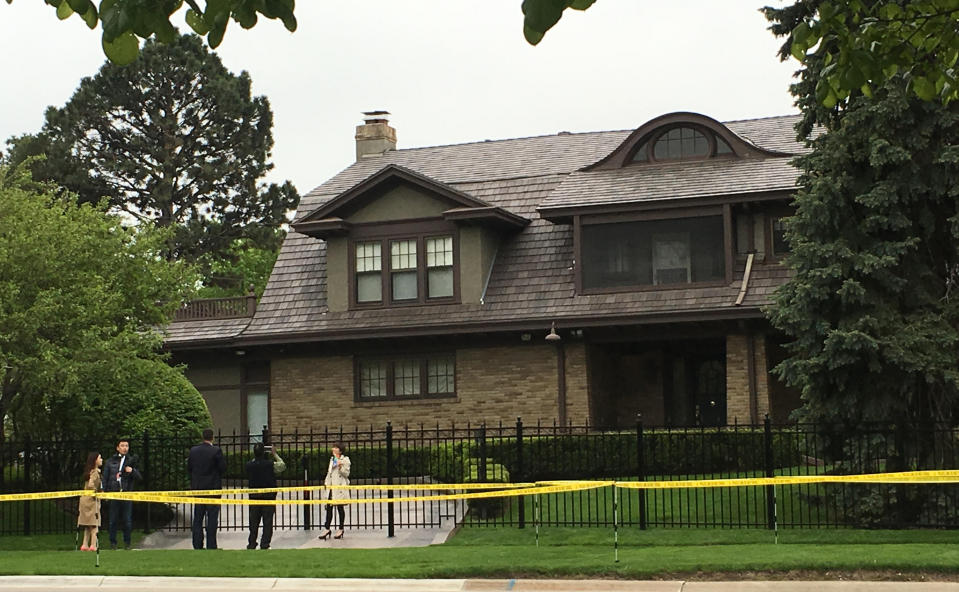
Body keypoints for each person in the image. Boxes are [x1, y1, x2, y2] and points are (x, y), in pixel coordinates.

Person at [187, 428, 226, 550]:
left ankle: (197, 544)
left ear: (202, 437)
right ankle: (211, 545)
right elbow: (223, 468)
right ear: (212, 437)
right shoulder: (216, 451)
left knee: (198, 518)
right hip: (213, 489)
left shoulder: (193, 451)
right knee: (212, 519)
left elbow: (189, 468)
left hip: (198, 489)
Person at [101, 437, 142, 550]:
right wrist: (104, 491)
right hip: (114, 494)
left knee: (127, 521)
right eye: (122, 446)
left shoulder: (132, 461)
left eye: (127, 446)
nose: (125, 448)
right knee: (113, 520)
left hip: (127, 494)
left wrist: (132, 471)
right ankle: (113, 542)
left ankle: (127, 543)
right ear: (118, 448)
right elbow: (105, 478)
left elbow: (139, 477)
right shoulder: (110, 461)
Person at [245, 442, 286, 549]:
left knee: (253, 523)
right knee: (267, 522)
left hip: (254, 497)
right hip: (268, 497)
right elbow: (282, 466)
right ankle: (265, 544)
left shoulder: (249, 465)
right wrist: (275, 454)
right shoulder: (270, 464)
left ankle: (252, 542)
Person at [317, 444, 351, 540]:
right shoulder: (332, 460)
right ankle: (327, 528)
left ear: (340, 451)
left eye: (336, 448)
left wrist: (340, 466)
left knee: (340, 508)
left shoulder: (345, 460)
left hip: (339, 488)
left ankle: (341, 528)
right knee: (329, 508)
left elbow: (346, 473)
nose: (333, 449)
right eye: (333, 447)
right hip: (331, 488)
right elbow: (329, 473)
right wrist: (326, 483)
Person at [77, 452, 102, 551]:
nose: (101, 460)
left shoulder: (89, 471)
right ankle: (93, 545)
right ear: (95, 460)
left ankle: (84, 545)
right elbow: (91, 484)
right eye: (100, 458)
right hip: (91, 500)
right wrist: (96, 491)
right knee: (94, 524)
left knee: (87, 525)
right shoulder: (95, 472)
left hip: (84, 499)